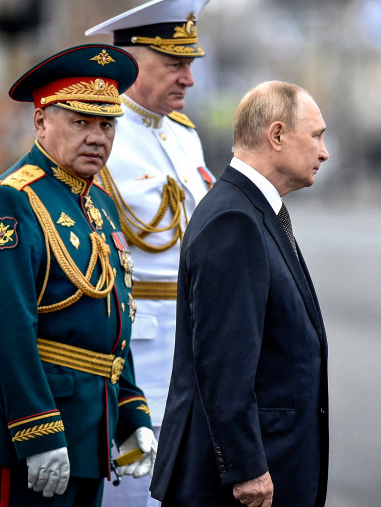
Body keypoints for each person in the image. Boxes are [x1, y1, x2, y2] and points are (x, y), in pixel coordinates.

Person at [0, 44, 156, 507]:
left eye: (106, 124)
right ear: (41, 122)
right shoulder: (10, 202)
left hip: (90, 429)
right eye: (80, 122)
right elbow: (3, 330)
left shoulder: (100, 204)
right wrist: (37, 430)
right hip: (30, 431)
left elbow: (113, 319)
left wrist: (130, 412)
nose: (97, 137)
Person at [151, 80, 331, 506]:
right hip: (240, 484)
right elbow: (223, 361)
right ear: (277, 135)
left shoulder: (252, 209)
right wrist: (246, 467)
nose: (324, 152)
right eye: (317, 135)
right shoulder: (234, 220)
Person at [84, 1, 212, 505]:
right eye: (175, 65)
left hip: (195, 358)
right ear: (134, 62)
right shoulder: (99, 136)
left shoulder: (184, 136)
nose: (189, 79)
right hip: (137, 364)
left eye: (190, 65)